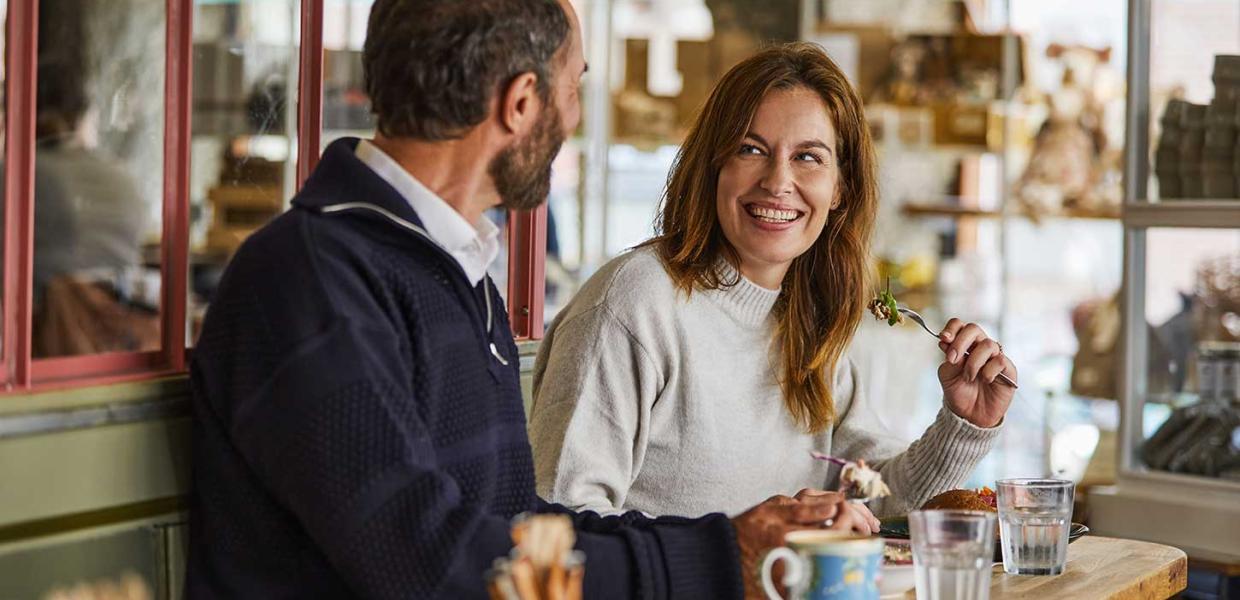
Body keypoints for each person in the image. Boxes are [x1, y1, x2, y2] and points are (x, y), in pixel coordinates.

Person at [185, 3, 877, 599]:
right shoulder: (308, 279)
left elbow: (523, 530)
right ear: (521, 104)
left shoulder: (455, 277)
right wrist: (721, 558)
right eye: (573, 88)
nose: (575, 117)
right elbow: (430, 563)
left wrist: (734, 540)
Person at [529, 43, 1017, 520]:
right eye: (751, 149)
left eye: (808, 157)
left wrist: (966, 424)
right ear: (712, 166)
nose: (778, 181)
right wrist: (735, 547)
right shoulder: (634, 304)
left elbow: (871, 493)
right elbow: (562, 525)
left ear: (840, 189)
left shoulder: (808, 317)